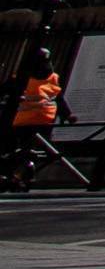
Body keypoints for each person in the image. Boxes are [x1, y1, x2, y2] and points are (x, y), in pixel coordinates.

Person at [7, 47, 59, 193]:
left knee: (18, 148)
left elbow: (8, 89)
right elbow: (58, 98)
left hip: (24, 120)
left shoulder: (23, 77)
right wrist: (68, 115)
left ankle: (18, 175)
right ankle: (22, 174)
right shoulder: (52, 76)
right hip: (45, 119)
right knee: (30, 149)